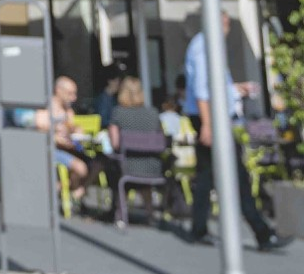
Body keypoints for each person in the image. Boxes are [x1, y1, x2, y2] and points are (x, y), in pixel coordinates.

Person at [183, 15, 283, 251]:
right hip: (212, 118)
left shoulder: (207, 45)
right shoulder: (205, 46)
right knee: (236, 175)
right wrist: (208, 124)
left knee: (207, 176)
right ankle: (262, 232)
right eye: (226, 24)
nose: (227, 29)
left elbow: (212, 86)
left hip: (212, 117)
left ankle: (199, 229)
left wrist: (236, 89)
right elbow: (202, 89)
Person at [40, 75, 89, 202]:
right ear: (58, 90)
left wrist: (77, 129)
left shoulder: (67, 109)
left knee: (97, 162)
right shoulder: (47, 108)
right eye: (70, 93)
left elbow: (71, 126)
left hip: (68, 147)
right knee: (81, 169)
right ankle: (66, 190)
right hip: (51, 149)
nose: (74, 98)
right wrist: (56, 137)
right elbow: (41, 130)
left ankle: (70, 190)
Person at [110, 74, 165, 184]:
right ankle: (149, 200)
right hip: (154, 167)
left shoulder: (118, 113)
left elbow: (115, 143)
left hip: (127, 167)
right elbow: (161, 139)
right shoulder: (153, 113)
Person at [92, 62, 126, 126]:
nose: (119, 84)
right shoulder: (103, 99)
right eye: (117, 81)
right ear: (110, 81)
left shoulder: (113, 98)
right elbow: (102, 120)